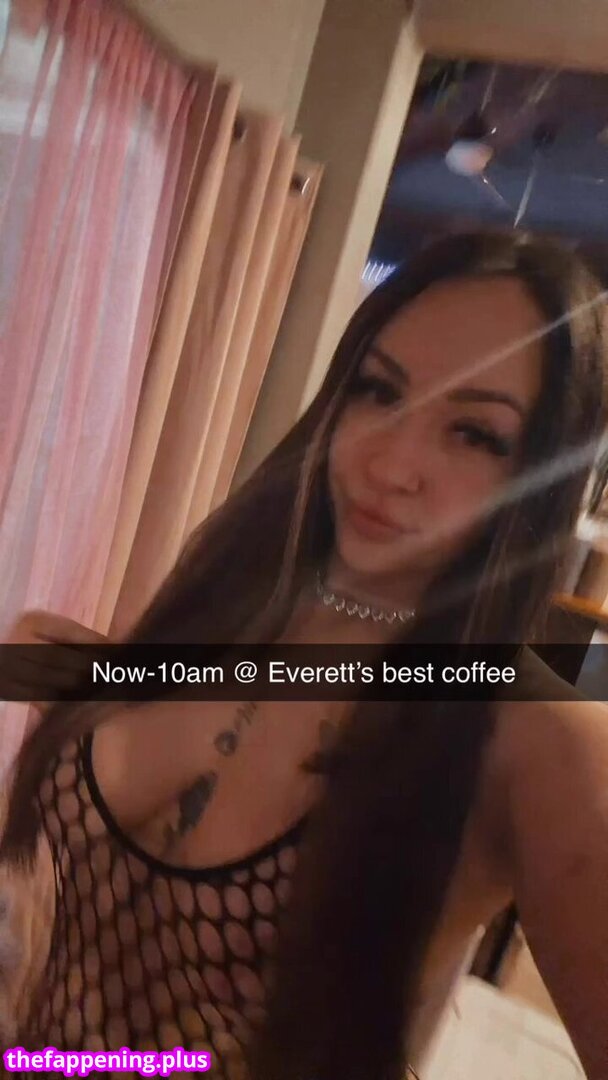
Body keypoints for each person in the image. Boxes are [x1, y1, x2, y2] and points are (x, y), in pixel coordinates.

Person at [2, 229, 608, 1080]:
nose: (390, 464)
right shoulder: (237, 591)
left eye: (475, 434)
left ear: (542, 473)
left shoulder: (536, 739)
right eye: (379, 390)